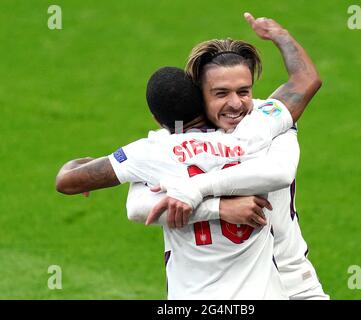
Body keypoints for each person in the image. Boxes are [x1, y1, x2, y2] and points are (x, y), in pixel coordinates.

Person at [56, 13, 325, 299]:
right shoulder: (268, 122)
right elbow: (305, 79)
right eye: (221, 93)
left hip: (286, 279)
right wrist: (278, 34)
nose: (235, 104)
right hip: (269, 284)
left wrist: (195, 191)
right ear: (200, 96)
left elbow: (98, 191)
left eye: (243, 91)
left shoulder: (156, 151)